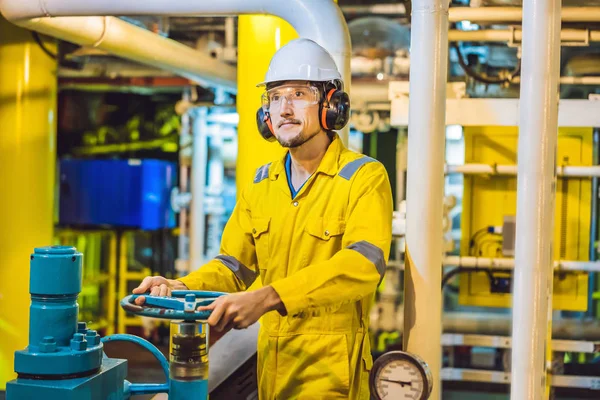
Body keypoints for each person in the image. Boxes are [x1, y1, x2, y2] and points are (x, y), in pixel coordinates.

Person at [133, 38, 393, 399]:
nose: (284, 109)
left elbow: (363, 265)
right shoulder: (261, 183)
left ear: (332, 106)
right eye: (275, 97)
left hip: (331, 374)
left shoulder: (363, 176)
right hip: (271, 368)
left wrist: (268, 297)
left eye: (299, 94)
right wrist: (182, 287)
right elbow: (232, 267)